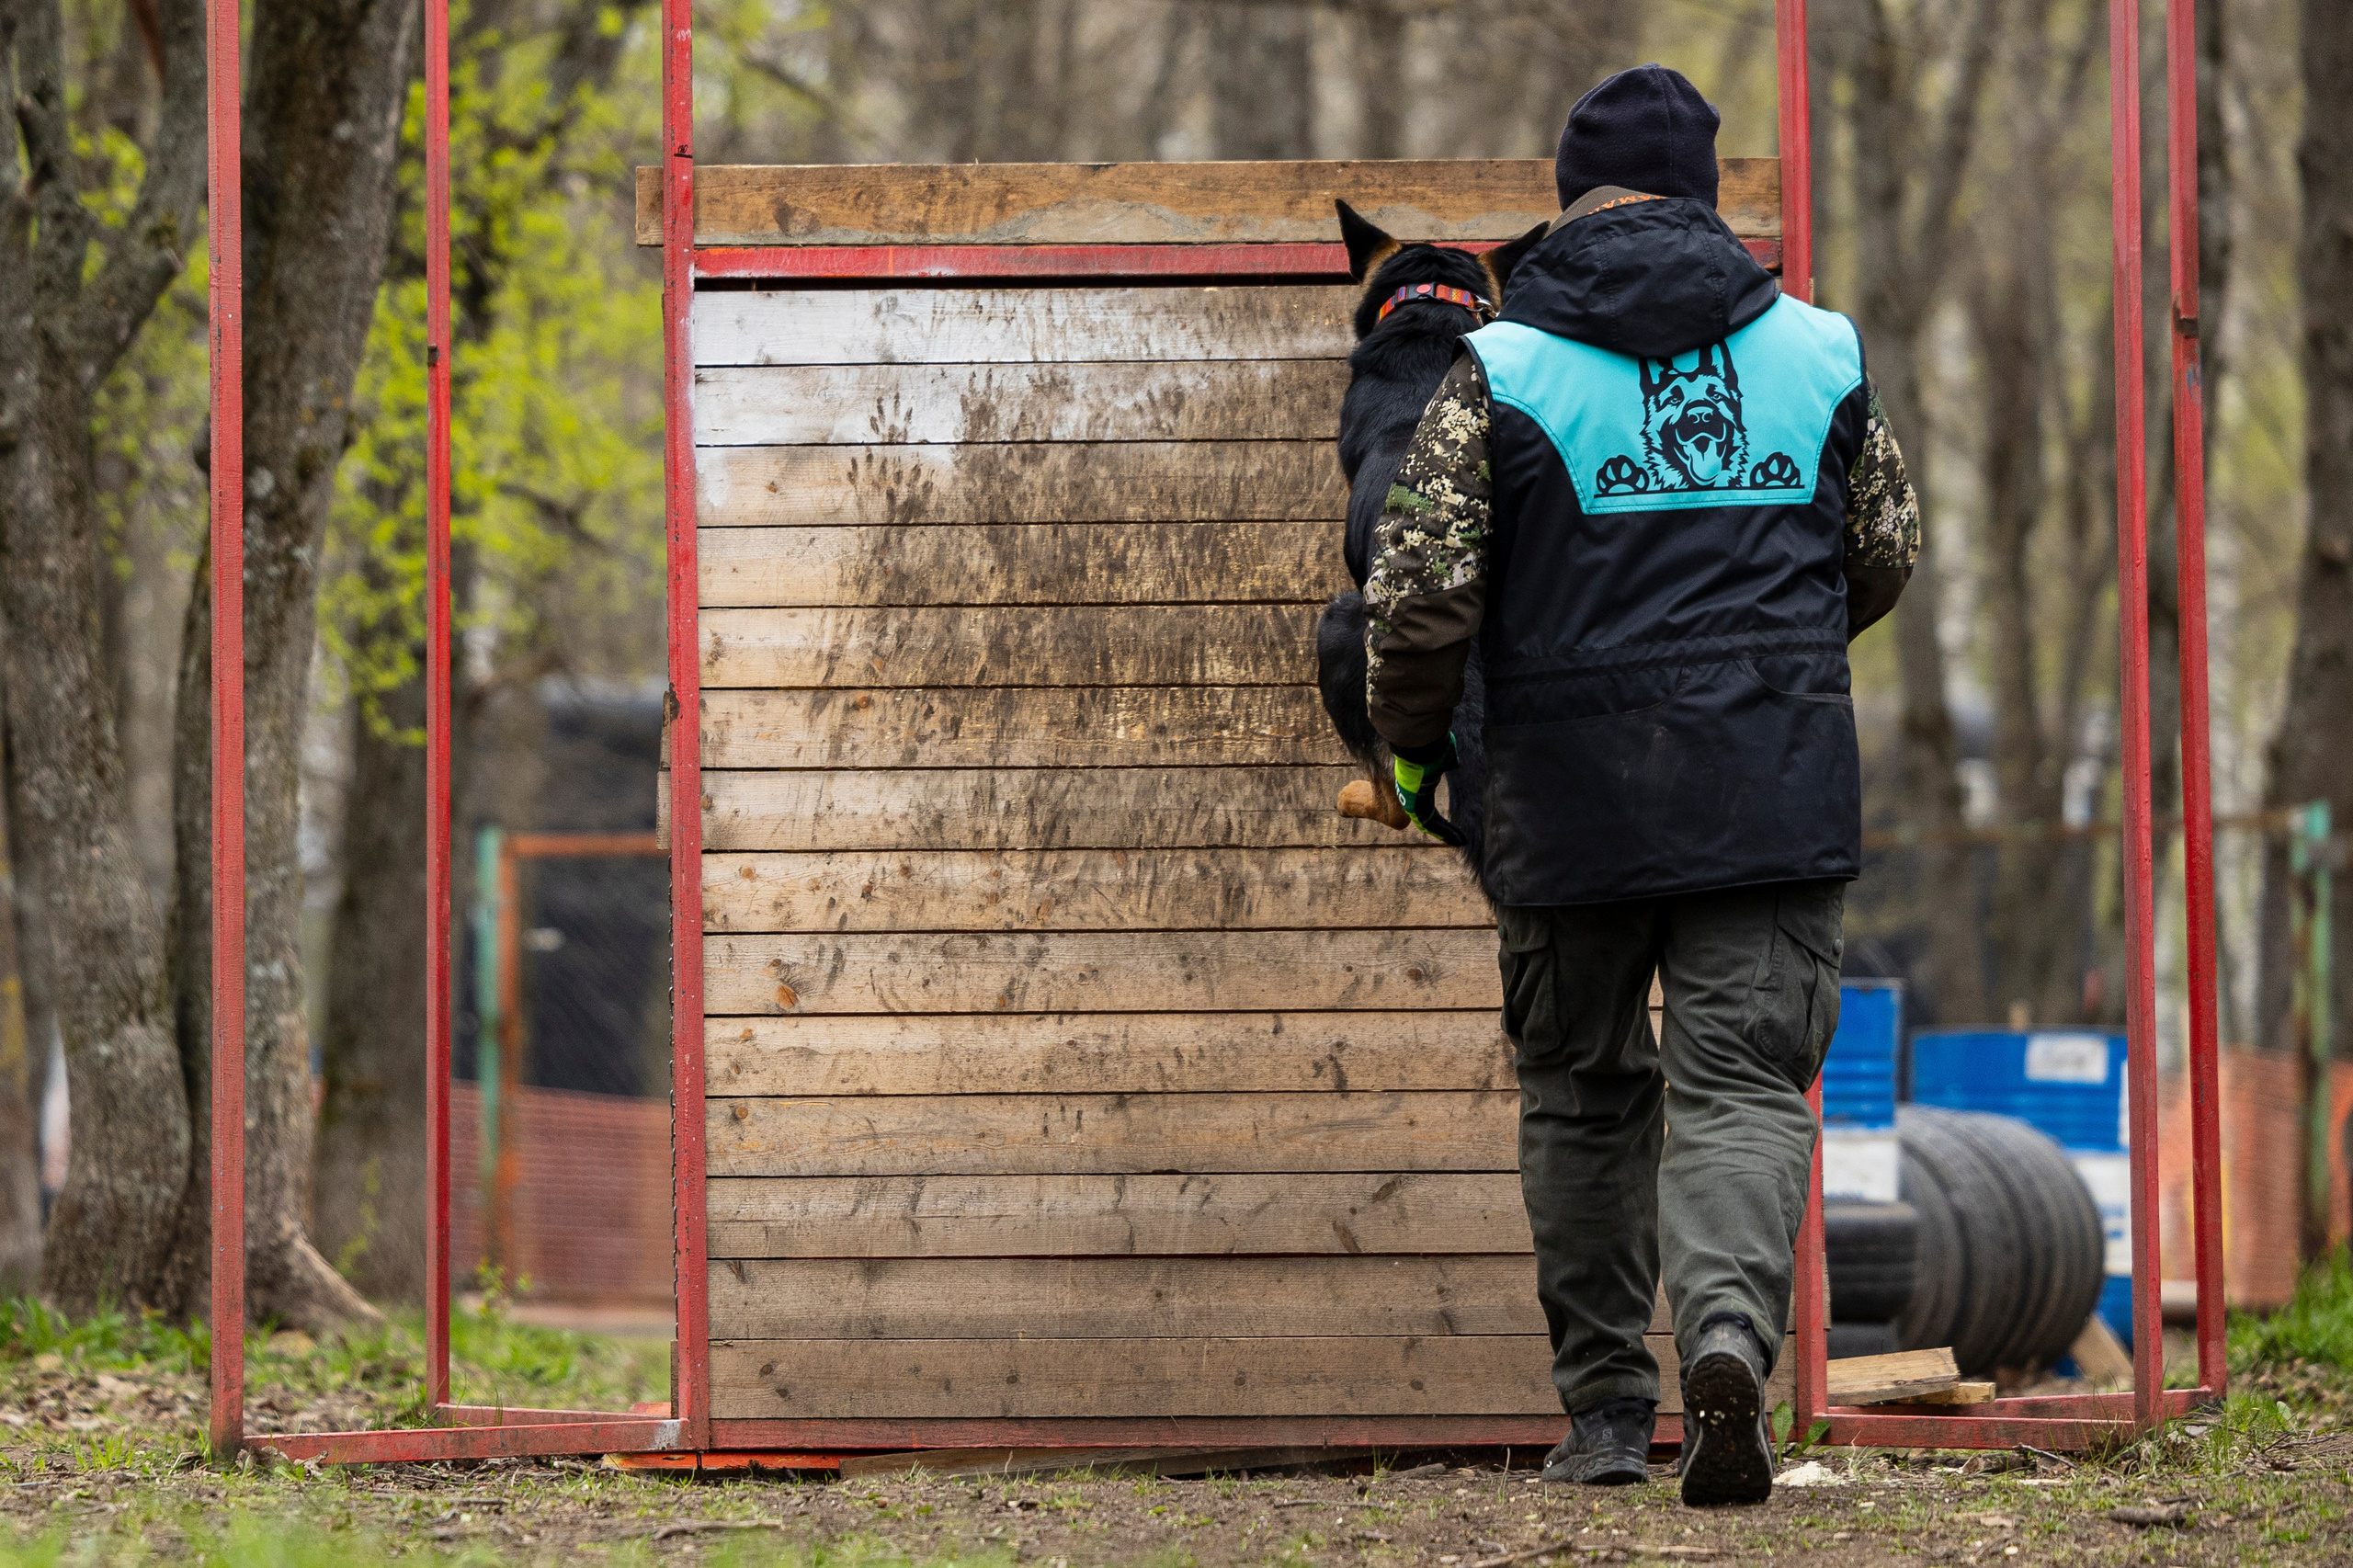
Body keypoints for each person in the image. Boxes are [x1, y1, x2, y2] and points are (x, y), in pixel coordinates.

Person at [1363, 63, 1920, 1506]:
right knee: (1740, 1082)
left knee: (1586, 1094)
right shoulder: (1820, 350)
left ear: (1571, 198)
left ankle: (1609, 1415)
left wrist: (1417, 753)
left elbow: (1420, 600)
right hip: (1772, 789)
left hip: (1569, 797)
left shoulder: (1498, 369)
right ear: (1708, 196)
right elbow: (1887, 546)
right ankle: (1726, 1341)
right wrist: (1777, 655)